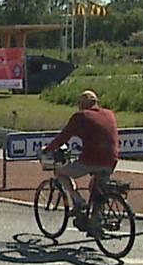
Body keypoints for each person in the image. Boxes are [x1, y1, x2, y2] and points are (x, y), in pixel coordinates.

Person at [42, 89, 119, 230]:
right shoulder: (109, 114)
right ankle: (96, 220)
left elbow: (63, 137)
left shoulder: (81, 116)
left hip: (91, 160)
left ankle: (78, 201)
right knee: (95, 187)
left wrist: (47, 149)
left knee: (60, 172)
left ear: (82, 104)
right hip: (111, 160)